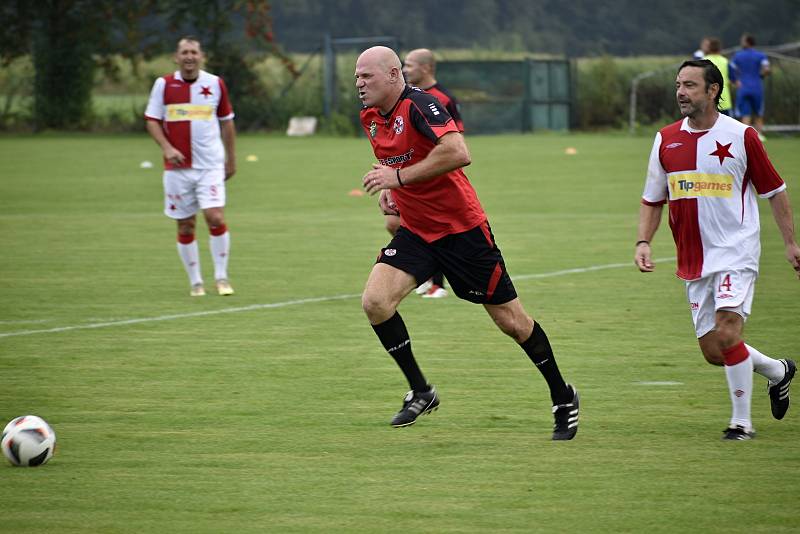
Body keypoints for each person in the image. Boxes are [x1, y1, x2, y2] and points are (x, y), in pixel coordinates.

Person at [356, 46, 579, 439]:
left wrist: (400, 179)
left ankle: (563, 395)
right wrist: (389, 185)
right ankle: (421, 391)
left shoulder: (421, 105)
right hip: (417, 232)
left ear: (393, 75)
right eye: (356, 77)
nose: (359, 83)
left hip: (462, 232)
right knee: (375, 302)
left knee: (511, 322)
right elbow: (397, 163)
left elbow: (458, 152)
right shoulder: (371, 118)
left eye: (366, 76)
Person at [635, 59, 799, 440]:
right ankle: (777, 370)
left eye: (690, 85)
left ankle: (741, 423)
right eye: (679, 84)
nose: (681, 92)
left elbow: (775, 191)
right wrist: (644, 241)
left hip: (736, 253)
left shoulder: (742, 136)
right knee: (714, 350)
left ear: (713, 91)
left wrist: (791, 243)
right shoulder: (665, 139)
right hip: (694, 260)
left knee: (728, 334)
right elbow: (651, 199)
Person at [145, 36, 237, 297]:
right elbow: (152, 120)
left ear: (201, 56)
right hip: (177, 169)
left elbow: (227, 122)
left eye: (193, 52)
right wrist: (167, 148)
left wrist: (231, 159)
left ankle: (221, 278)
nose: (189, 56)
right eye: (184, 52)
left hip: (210, 165)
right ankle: (196, 282)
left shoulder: (214, 83)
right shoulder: (163, 85)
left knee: (215, 217)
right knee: (185, 224)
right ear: (176, 57)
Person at [379, 47, 466, 299]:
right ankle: (426, 275)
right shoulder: (399, 99)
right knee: (393, 222)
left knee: (438, 231)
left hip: (434, 181)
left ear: (426, 67)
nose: (406, 70)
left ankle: (436, 282)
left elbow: (454, 142)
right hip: (406, 178)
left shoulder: (441, 98)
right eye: (403, 65)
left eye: (410, 65)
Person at [730, 33, 771, 139]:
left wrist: (735, 81)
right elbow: (766, 69)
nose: (741, 42)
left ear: (747, 42)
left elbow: (731, 68)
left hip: (743, 87)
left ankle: (745, 136)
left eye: (742, 40)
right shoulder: (761, 55)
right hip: (757, 87)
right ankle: (760, 135)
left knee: (745, 113)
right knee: (758, 112)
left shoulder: (738, 55)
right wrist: (761, 76)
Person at [703, 38, 733, 116]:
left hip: (708, 99)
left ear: (709, 48)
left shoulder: (703, 61)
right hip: (724, 99)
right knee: (727, 127)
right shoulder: (725, 61)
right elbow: (732, 80)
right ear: (720, 48)